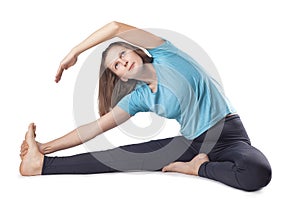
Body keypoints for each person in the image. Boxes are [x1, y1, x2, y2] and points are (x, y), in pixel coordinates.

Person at [19, 21, 271, 191]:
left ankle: (197, 168)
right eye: (115, 66)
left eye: (122, 55)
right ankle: (41, 165)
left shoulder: (167, 54)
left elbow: (116, 26)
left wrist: (75, 51)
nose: (122, 63)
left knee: (258, 172)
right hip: (193, 142)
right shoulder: (138, 98)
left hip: (229, 135)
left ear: (136, 52)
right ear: (121, 77)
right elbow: (93, 128)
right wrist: (43, 146)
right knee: (118, 157)